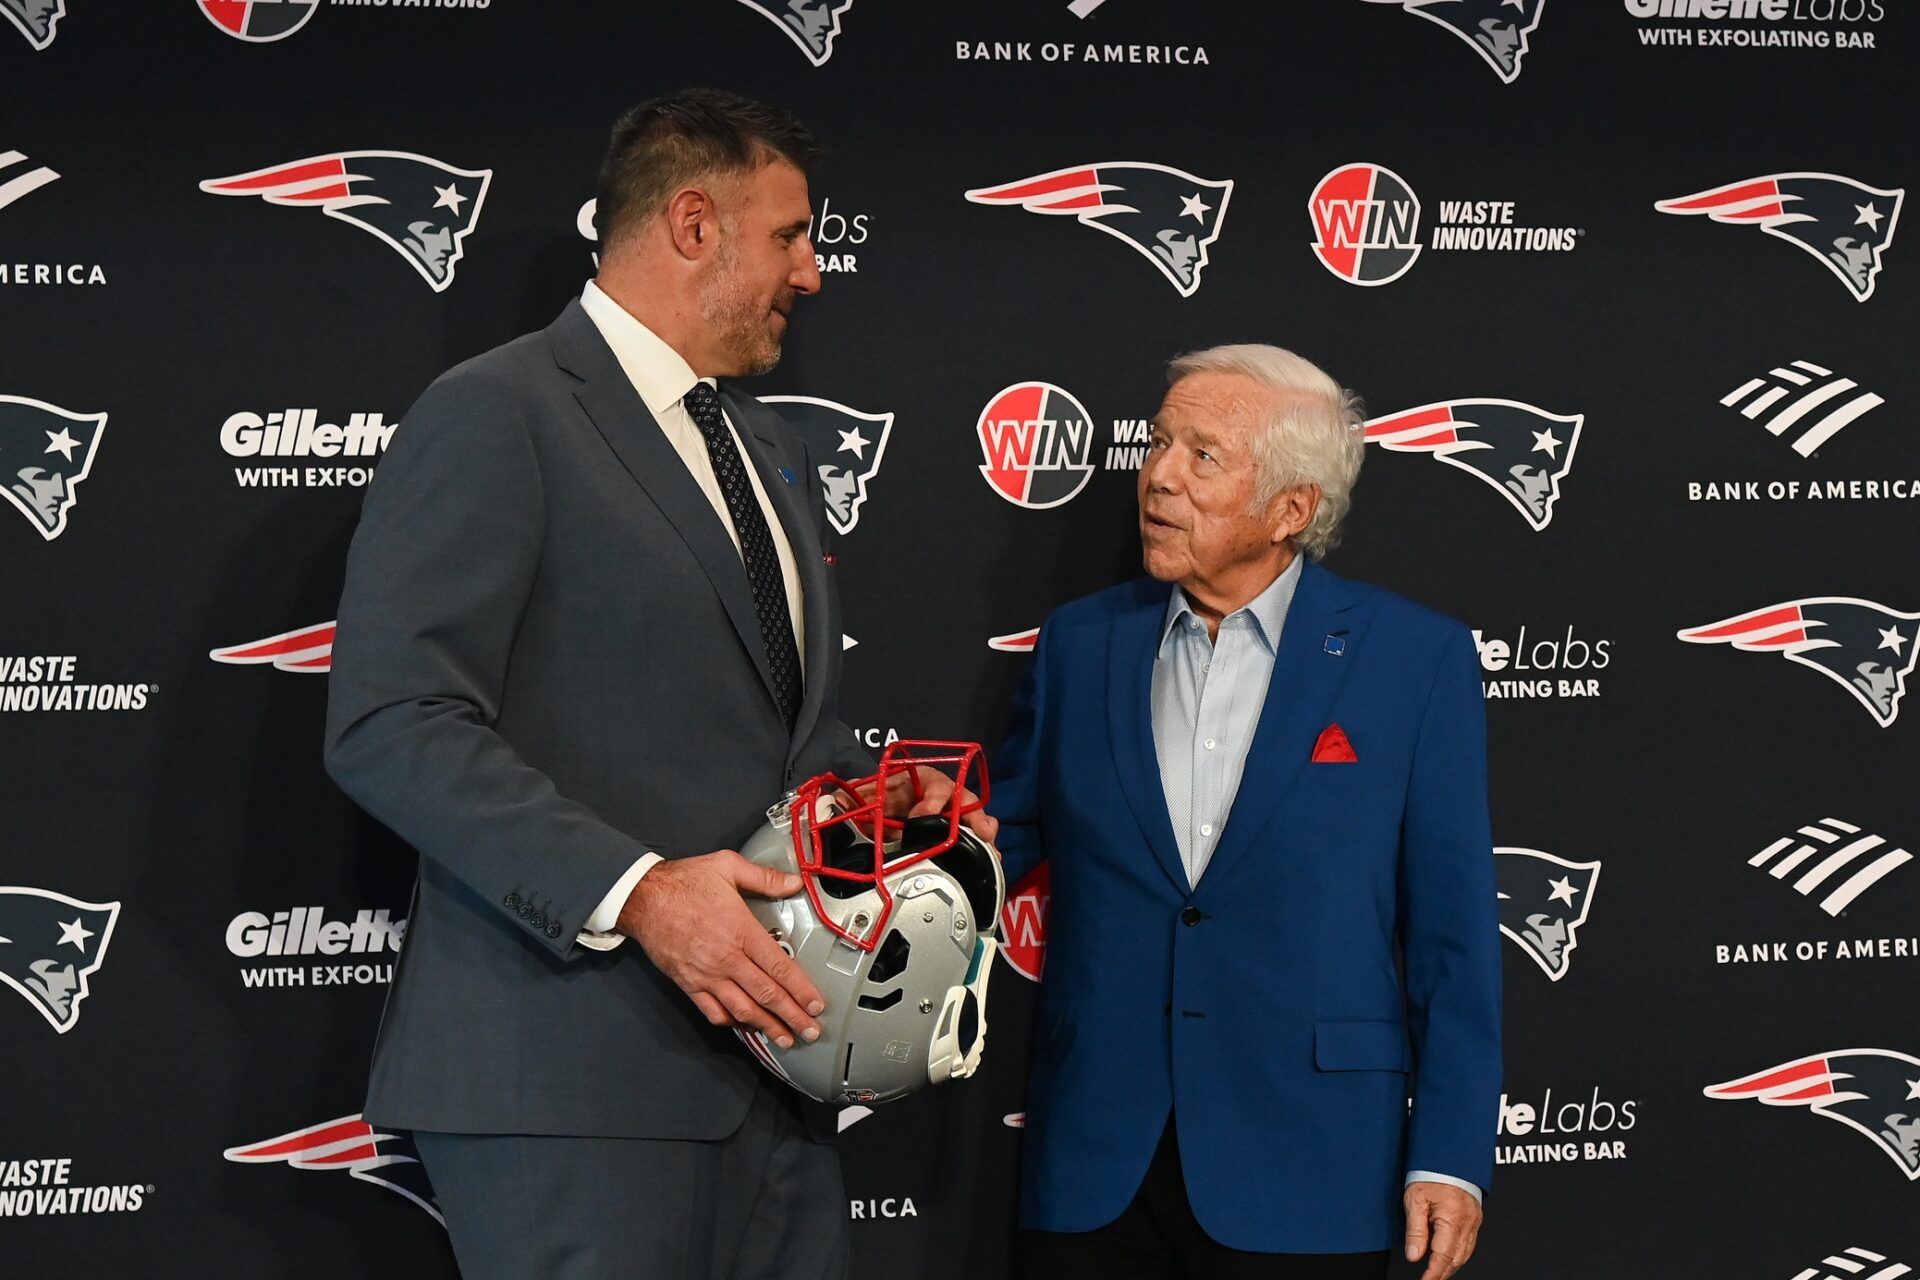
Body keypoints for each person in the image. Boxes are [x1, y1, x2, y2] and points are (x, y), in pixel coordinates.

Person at [323, 88, 982, 1280]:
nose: (815, 269)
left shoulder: (766, 444)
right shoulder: (497, 411)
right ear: (692, 223)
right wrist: (635, 889)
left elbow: (776, 737)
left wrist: (874, 808)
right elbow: (391, 718)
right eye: (790, 234)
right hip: (569, 1079)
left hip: (780, 1071)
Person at [990, 344, 1502, 1280]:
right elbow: (1000, 835)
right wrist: (915, 830)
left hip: (1311, 1167)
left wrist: (1453, 1153)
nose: (1158, 476)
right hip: (1095, 1159)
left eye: (1203, 456)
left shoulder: (1413, 661)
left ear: (1292, 510)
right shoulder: (1080, 645)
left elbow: (1455, 936)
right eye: (1159, 444)